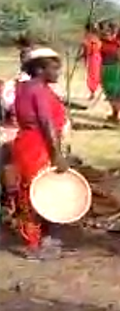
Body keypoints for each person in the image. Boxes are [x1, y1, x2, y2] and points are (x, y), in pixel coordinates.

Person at [9, 48, 69, 260]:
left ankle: (37, 238)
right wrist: (56, 154)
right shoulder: (39, 90)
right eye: (54, 68)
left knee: (32, 191)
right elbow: (46, 122)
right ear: (40, 69)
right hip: (38, 145)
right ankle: (34, 244)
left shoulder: (25, 88)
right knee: (36, 192)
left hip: (28, 143)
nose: (57, 73)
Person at [99, 21, 120, 122]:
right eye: (104, 34)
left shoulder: (118, 43)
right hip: (107, 69)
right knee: (110, 92)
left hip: (116, 69)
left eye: (108, 33)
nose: (106, 36)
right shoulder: (102, 43)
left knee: (119, 92)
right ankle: (116, 112)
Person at [79, 23, 102, 101]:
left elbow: (87, 50)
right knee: (94, 75)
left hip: (94, 58)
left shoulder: (91, 38)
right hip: (94, 58)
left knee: (93, 75)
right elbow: (86, 51)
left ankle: (93, 92)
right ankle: (93, 92)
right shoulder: (92, 37)